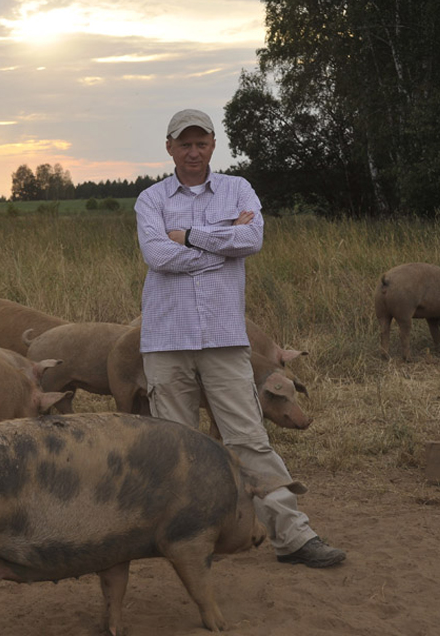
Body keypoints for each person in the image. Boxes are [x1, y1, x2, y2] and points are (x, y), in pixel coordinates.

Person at [134, 108, 346, 568]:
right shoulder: (150, 200)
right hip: (167, 341)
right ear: (169, 147)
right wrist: (218, 245)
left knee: (249, 440)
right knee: (174, 446)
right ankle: (189, 543)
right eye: (184, 143)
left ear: (213, 145)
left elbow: (250, 241)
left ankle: (293, 536)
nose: (193, 151)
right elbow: (157, 255)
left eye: (201, 142)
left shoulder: (238, 189)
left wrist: (188, 236)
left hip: (225, 342)